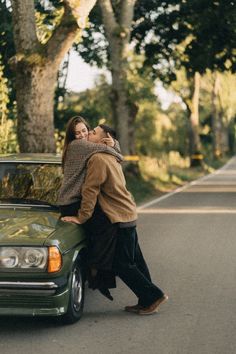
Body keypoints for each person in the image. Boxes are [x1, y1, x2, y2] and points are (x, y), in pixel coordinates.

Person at [62, 124, 168, 315]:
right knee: (136, 260)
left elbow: (90, 190)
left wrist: (82, 217)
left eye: (93, 132)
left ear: (105, 137)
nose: (89, 134)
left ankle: (154, 296)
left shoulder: (97, 158)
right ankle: (146, 300)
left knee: (122, 263)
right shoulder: (111, 155)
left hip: (118, 216)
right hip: (128, 213)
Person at [58, 116, 122, 300]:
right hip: (71, 203)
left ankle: (99, 276)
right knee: (107, 224)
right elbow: (114, 154)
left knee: (99, 230)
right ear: (71, 136)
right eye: (76, 133)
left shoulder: (84, 147)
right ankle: (96, 272)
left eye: (84, 131)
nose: (81, 135)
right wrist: (114, 144)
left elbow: (107, 151)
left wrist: (112, 144)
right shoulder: (77, 146)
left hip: (74, 200)